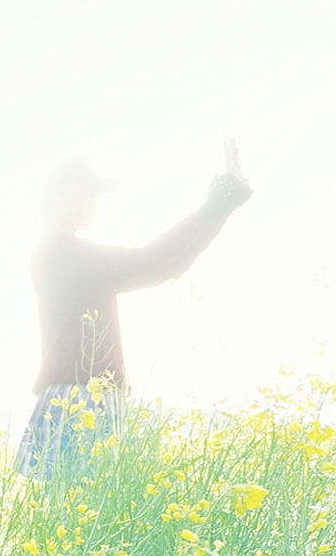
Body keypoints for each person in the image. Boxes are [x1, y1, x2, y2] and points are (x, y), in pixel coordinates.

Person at [15, 152, 253, 479]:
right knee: (77, 517)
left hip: (91, 398)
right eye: (85, 191)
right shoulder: (60, 251)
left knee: (81, 517)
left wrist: (220, 211)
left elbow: (165, 268)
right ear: (57, 193)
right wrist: (214, 206)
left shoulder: (68, 255)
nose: (92, 202)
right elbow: (151, 261)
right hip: (77, 399)